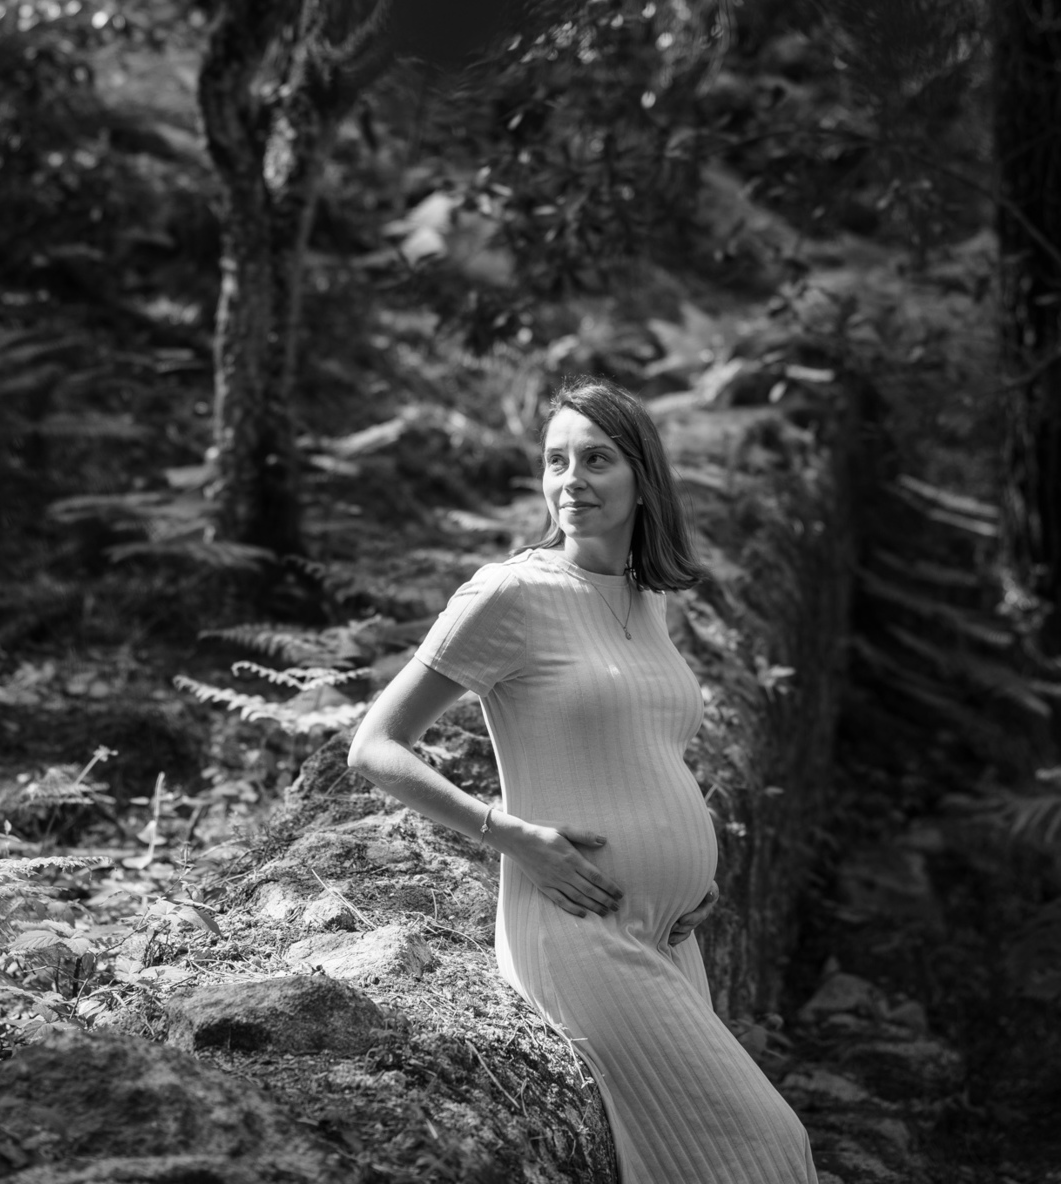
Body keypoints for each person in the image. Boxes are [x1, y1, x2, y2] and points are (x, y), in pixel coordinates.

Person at [348, 373, 817, 1184]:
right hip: (578, 931)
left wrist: (690, 870)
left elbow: (646, 748)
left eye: (597, 459)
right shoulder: (510, 593)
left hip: (670, 934)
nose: (572, 480)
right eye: (556, 460)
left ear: (643, 477)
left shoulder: (646, 597)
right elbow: (375, 746)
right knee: (770, 1146)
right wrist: (511, 835)